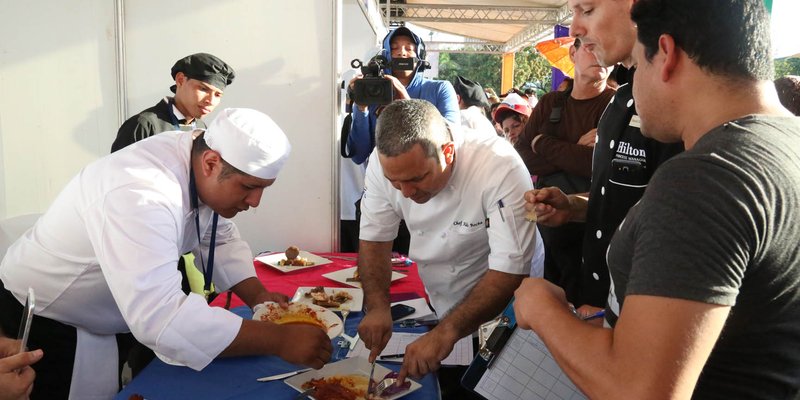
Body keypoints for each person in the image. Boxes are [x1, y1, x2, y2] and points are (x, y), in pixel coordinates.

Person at [514, 1, 800, 398]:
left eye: (637, 64)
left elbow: (639, 391)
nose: (632, 85)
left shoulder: (705, 178)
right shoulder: (785, 143)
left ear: (664, 55)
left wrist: (540, 307)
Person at [0, 108, 332, 398]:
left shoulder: (198, 162)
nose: (256, 202)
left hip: (100, 317)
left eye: (263, 188)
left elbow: (216, 237)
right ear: (211, 163)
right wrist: (279, 340)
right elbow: (160, 315)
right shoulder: (139, 191)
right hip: (42, 320)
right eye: (248, 187)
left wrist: (259, 297)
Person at [356, 100, 537, 386]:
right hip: (442, 298)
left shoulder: (499, 166)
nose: (405, 193)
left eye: (417, 179)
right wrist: (378, 306)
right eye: (395, 182)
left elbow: (510, 270)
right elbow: (375, 238)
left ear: (448, 152)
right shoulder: (381, 165)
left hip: (511, 308)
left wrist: (445, 333)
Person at [527, 0, 684, 309]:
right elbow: (625, 200)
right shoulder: (620, 105)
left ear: (634, 6)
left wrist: (543, 313)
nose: (574, 28)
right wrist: (572, 205)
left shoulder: (671, 110)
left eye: (586, 9)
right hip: (593, 297)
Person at [514, 38, 614, 304]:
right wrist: (574, 150)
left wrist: (543, 143)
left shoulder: (616, 108)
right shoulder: (550, 103)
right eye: (592, 47)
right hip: (544, 228)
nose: (600, 56)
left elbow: (601, 165)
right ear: (573, 53)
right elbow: (522, 157)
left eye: (606, 48)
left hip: (591, 235)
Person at [345, 26, 459, 165]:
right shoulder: (373, 92)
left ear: (420, 56)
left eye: (409, 48)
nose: (401, 53)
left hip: (428, 178)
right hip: (383, 182)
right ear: (385, 55)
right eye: (394, 48)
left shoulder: (440, 89)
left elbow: (452, 139)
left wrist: (406, 101)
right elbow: (358, 156)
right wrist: (361, 108)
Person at [110, 53, 235, 153]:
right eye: (203, 89)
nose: (210, 101)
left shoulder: (201, 128)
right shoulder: (145, 125)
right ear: (180, 80)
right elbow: (118, 176)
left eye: (218, 95)